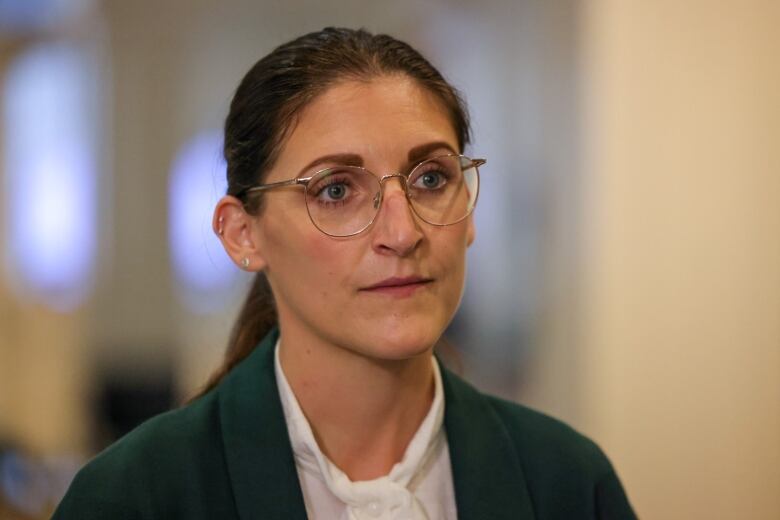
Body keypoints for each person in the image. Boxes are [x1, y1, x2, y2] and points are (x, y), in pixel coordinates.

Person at [53, 27, 636, 519]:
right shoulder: (134, 497)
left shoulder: (567, 483)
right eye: (335, 190)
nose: (403, 233)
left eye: (431, 178)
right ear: (243, 234)